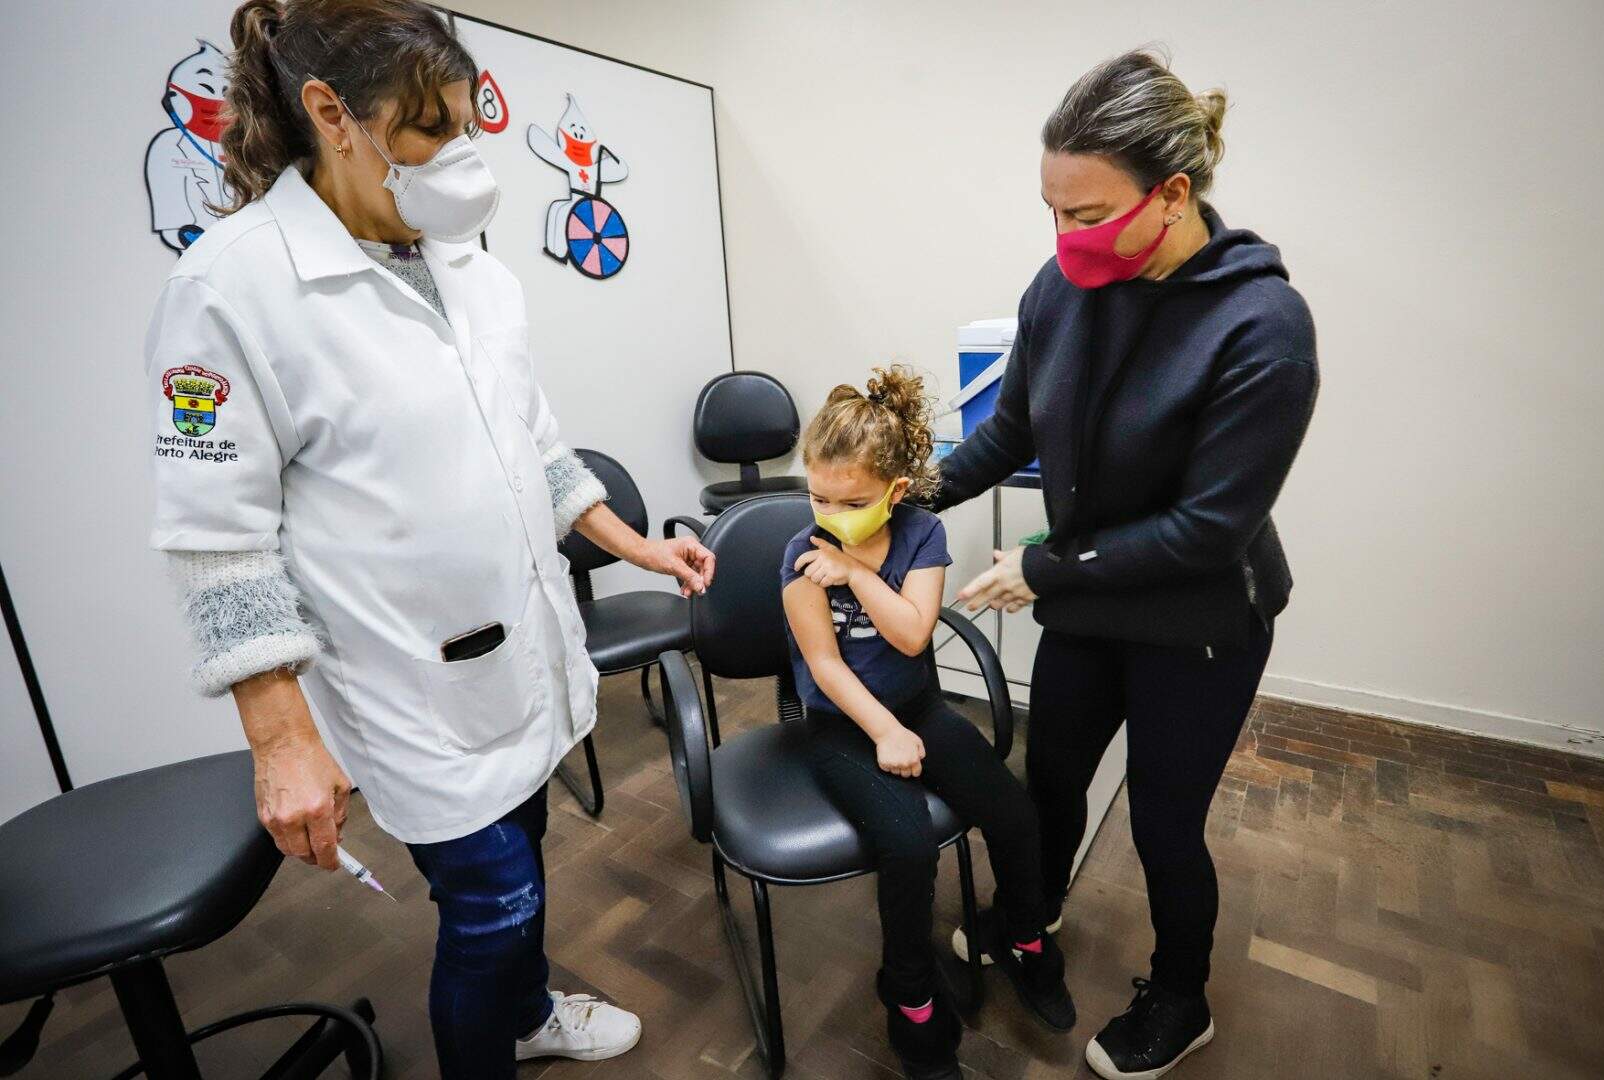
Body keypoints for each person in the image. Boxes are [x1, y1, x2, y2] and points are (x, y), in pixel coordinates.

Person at [144, 3, 715, 1077]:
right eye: (430, 128)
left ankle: (529, 1014)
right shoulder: (229, 288)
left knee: (524, 859)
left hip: (521, 654)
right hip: (410, 685)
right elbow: (218, 541)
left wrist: (634, 545)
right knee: (493, 907)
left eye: (466, 123)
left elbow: (536, 446)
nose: (461, 153)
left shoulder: (475, 270)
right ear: (333, 115)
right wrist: (281, 739)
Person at [931, 48, 1319, 1080]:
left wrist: (1045, 568)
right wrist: (912, 492)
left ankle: (1181, 998)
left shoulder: (1262, 327)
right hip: (1091, 595)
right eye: (1052, 211)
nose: (1065, 237)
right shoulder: (1061, 288)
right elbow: (1010, 428)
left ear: (1173, 195)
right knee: (1051, 780)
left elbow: (1206, 530)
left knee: (1163, 822)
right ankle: (1032, 911)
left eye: (1088, 213)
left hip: (1199, 617)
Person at [780, 366, 1074, 1080]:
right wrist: (882, 731)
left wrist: (855, 575)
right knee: (909, 847)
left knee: (1014, 814)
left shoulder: (921, 534)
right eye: (817, 497)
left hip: (917, 708)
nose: (830, 515)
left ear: (896, 491)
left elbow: (913, 635)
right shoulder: (798, 554)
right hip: (842, 726)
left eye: (851, 501)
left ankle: (1024, 937)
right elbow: (825, 667)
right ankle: (910, 998)